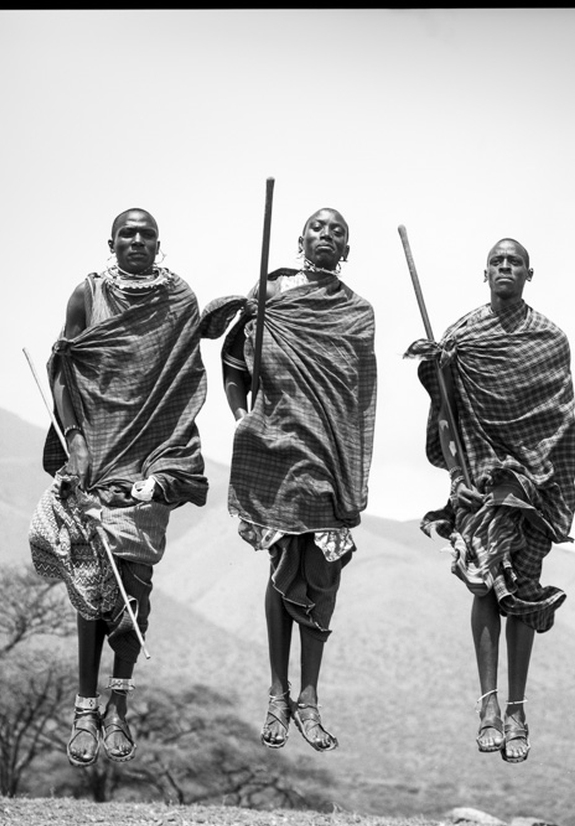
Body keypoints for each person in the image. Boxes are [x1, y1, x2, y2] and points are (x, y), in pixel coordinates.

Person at [30, 207, 209, 768]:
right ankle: (86, 709)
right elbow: (64, 368)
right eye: (127, 233)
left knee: (133, 593)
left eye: (146, 234)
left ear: (160, 243)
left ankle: (120, 705)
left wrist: (163, 473)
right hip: (96, 457)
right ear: (111, 241)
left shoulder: (179, 299)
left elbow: (182, 383)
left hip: (148, 460)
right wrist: (77, 442)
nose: (137, 240)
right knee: (90, 588)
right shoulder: (86, 294)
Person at [198, 207, 376, 753]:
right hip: (276, 452)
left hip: (329, 458)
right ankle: (278, 695)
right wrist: (242, 418)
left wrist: (354, 462)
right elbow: (233, 361)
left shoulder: (358, 312)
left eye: (338, 231)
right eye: (318, 228)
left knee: (323, 575)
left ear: (347, 248)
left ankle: (311, 699)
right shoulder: (271, 297)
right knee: (282, 567)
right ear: (301, 240)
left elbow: (362, 395)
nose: (328, 236)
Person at [405, 239, 575, 764]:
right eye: (497, 262)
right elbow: (445, 414)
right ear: (485, 273)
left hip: (533, 486)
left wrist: (545, 480)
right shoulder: (460, 338)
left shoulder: (550, 339)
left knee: (522, 589)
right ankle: (488, 708)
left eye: (515, 262)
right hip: (478, 483)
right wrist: (459, 471)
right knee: (483, 582)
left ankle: (519, 711)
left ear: (530, 272)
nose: (506, 268)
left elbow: (560, 420)